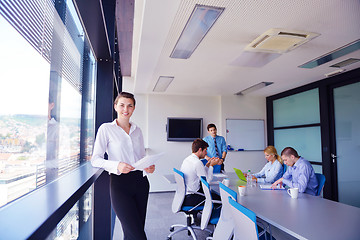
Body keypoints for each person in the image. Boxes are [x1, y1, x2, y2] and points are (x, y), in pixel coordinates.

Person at [91, 92, 155, 240]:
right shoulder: (106, 129)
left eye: (130, 106)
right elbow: (95, 159)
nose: (125, 109)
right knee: (138, 235)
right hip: (120, 185)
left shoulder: (137, 130)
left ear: (133, 108)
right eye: (122, 105)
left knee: (133, 231)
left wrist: (148, 166)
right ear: (115, 106)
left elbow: (140, 157)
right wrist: (117, 165)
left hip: (141, 183)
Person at [180, 138, 220, 206]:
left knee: (214, 195)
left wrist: (208, 164)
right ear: (200, 150)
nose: (206, 153)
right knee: (218, 199)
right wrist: (211, 166)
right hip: (192, 197)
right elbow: (207, 181)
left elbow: (201, 173)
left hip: (185, 195)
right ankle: (210, 216)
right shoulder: (197, 163)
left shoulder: (187, 159)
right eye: (205, 150)